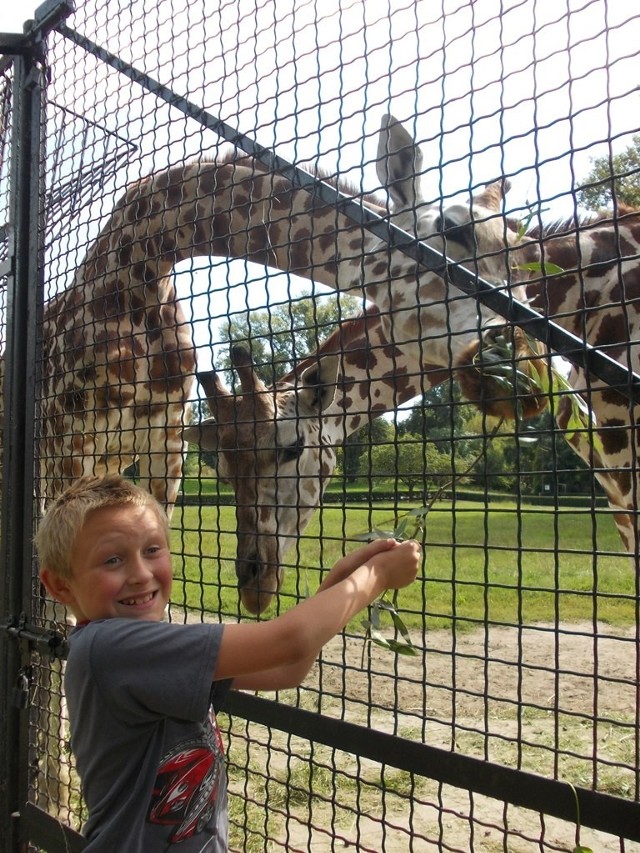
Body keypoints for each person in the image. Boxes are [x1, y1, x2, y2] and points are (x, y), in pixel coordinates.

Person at [35, 474, 421, 852]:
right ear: (61, 586)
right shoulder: (111, 648)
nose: (140, 574)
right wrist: (378, 576)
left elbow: (288, 669)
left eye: (153, 550)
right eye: (113, 559)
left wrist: (340, 581)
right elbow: (289, 640)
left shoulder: (142, 650)